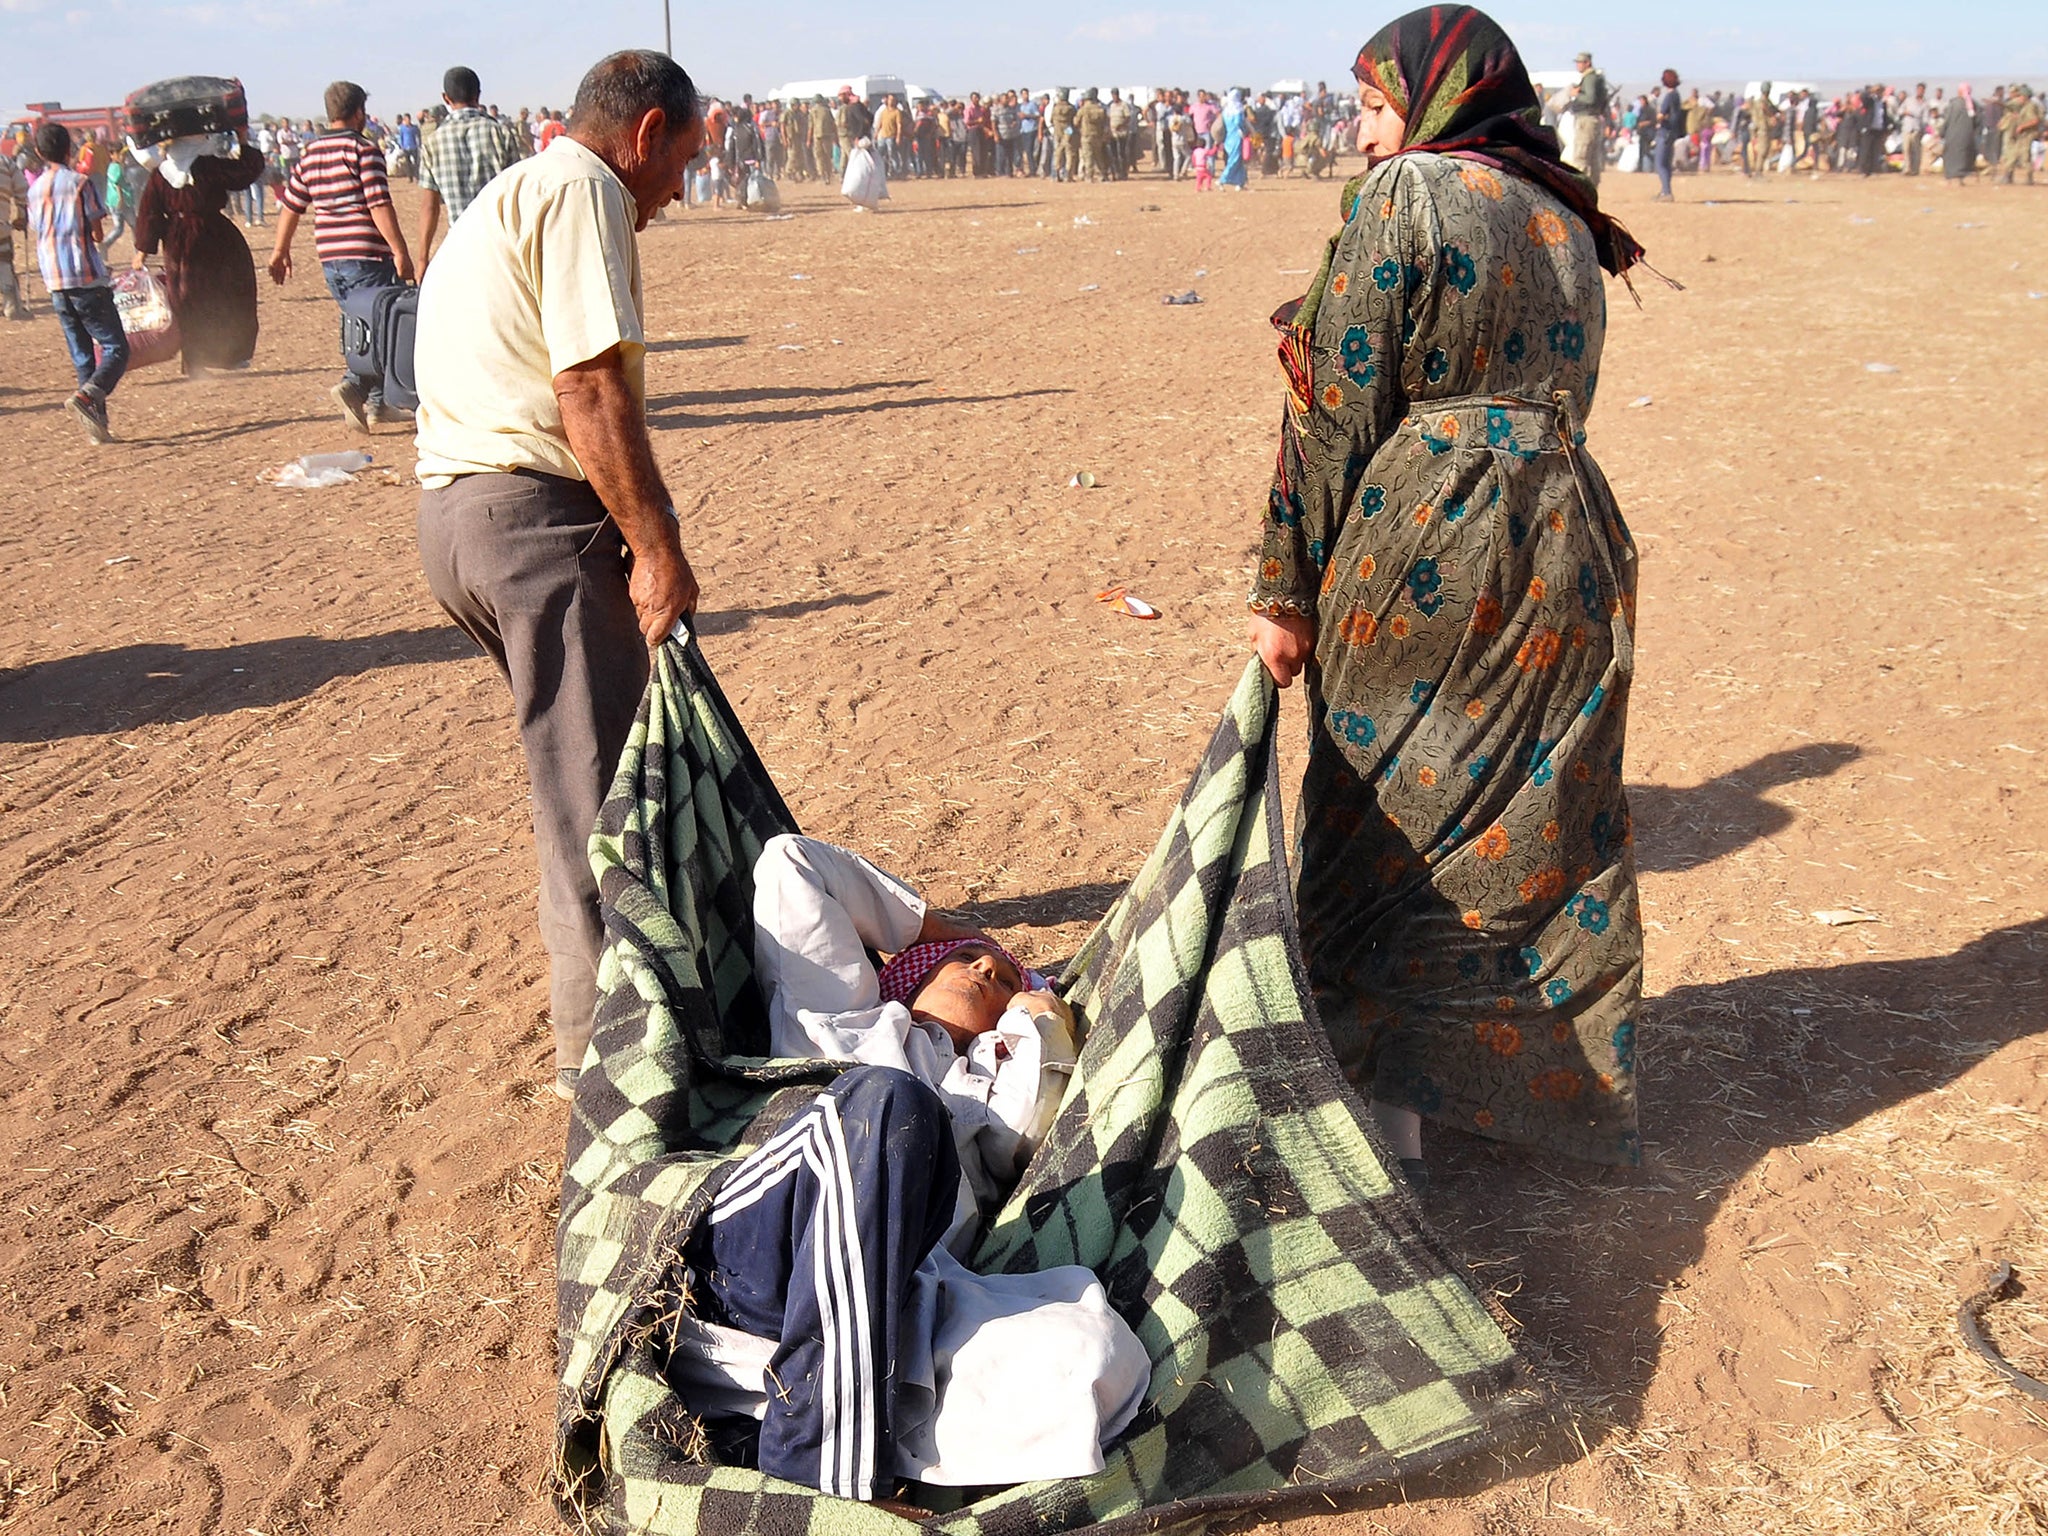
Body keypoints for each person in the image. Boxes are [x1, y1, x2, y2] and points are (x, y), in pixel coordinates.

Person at [1247, 3, 1647, 1182]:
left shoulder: (1408, 195)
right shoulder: (1564, 217)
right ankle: (1531, 1095)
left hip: (1432, 533)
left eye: (1373, 108)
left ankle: (1383, 1118)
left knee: (1385, 825)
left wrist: (1284, 586)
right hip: (1570, 533)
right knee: (1532, 827)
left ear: (1429, 106)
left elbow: (1334, 401)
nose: (1364, 138)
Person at [412, 49, 704, 1097]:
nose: (678, 189)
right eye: (682, 160)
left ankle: (614, 1016)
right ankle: (606, 1060)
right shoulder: (587, 192)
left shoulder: (514, 187)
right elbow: (586, 389)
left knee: (573, 780)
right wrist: (660, 546)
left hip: (457, 518)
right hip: (531, 524)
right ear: (644, 133)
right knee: (597, 802)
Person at [269, 80, 416, 431]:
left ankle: (379, 405)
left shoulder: (310, 153)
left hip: (331, 257)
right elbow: (378, 203)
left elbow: (291, 205)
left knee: (361, 325)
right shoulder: (363, 151)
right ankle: (354, 386)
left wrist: (280, 250)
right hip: (365, 253)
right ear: (359, 113)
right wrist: (400, 250)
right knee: (382, 327)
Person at [132, 130, 269, 374]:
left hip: (180, 243)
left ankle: (207, 358)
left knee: (187, 299)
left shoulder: (160, 175)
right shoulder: (209, 167)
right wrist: (243, 140)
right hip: (215, 238)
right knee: (224, 295)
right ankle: (220, 357)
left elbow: (149, 214)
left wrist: (143, 250)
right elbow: (245, 172)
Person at [27, 121, 128, 443]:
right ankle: (89, 397)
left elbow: (37, 229)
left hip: (55, 281)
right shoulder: (81, 183)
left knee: (82, 355)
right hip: (85, 277)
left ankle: (97, 429)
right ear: (69, 150)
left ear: (40, 152)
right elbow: (97, 232)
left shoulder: (34, 189)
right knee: (115, 348)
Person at [417, 65, 530, 270]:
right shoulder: (500, 134)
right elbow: (518, 193)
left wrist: (422, 258)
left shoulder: (433, 142)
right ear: (478, 95)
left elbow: (429, 207)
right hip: (501, 245)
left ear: (446, 98)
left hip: (460, 245)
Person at [1559, 50, 1608, 185]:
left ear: (1587, 63)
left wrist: (1576, 94)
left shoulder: (1590, 78)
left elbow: (1590, 98)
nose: (1578, 65)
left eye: (1580, 62)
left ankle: (1580, 189)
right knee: (1592, 159)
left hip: (1586, 120)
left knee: (1582, 156)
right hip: (1591, 120)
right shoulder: (1595, 77)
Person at [0, 148, 29, 320]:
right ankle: (11, 305)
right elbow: (22, 187)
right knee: (3, 262)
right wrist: (21, 211)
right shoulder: (5, 162)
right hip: (1, 226)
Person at [1653, 68, 1683, 199]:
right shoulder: (1677, 95)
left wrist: (1657, 119)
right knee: (1666, 163)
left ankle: (1666, 192)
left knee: (1660, 163)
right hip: (1672, 133)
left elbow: (1661, 114)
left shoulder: (1669, 96)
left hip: (1664, 132)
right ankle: (1666, 190)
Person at [1943, 83, 1979, 182]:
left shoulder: (1953, 104)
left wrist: (1941, 132)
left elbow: (1947, 120)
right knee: (1964, 157)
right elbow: (1978, 121)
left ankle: (1950, 178)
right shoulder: (1974, 105)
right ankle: (1961, 178)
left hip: (1952, 136)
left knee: (1951, 156)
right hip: (1967, 137)